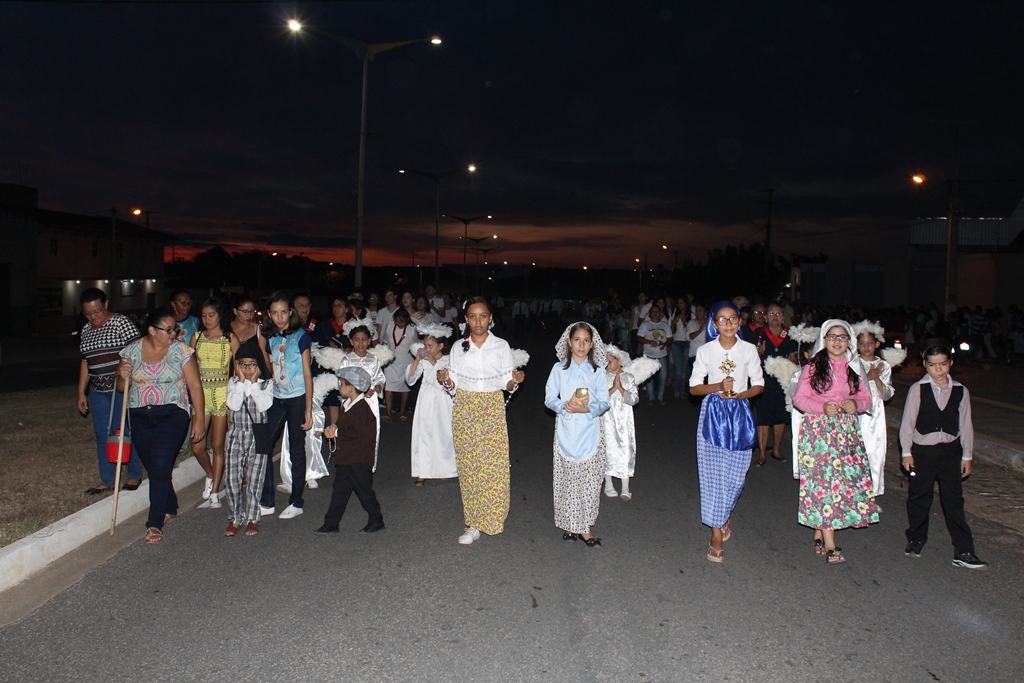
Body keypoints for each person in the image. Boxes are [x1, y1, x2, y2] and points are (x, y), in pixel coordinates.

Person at [436, 296, 526, 545]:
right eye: (473, 317)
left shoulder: (501, 346)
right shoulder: (458, 347)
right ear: (466, 319)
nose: (478, 322)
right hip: (465, 407)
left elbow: (506, 383)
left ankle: (493, 517)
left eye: (483, 316)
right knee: (469, 466)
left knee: (494, 464)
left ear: (490, 318)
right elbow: (453, 384)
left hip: (492, 405)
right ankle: (473, 523)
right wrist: (445, 379)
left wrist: (515, 380)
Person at [792, 319, 879, 565]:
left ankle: (820, 530)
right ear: (824, 339)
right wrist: (821, 407)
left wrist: (856, 404)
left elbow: (866, 398)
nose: (837, 342)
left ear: (850, 341)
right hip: (819, 433)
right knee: (824, 482)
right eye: (832, 337)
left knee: (842, 482)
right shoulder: (813, 367)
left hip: (846, 433)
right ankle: (831, 543)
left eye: (842, 337)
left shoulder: (855, 367)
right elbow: (799, 398)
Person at [117, 307, 205, 543]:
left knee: (159, 463)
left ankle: (154, 522)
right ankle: (170, 504)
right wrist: (122, 375)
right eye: (168, 330)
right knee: (155, 467)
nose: (173, 334)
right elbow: (121, 388)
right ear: (152, 330)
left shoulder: (182, 351)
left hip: (172, 413)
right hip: (139, 414)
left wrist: (198, 418)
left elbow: (195, 386)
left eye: (174, 329)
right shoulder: (131, 351)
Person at [688, 301, 764, 563]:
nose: (728, 323)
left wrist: (743, 395)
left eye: (733, 318)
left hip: (740, 412)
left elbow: (759, 384)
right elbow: (694, 387)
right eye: (722, 319)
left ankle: (722, 516)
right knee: (712, 476)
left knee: (737, 475)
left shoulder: (749, 349)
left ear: (740, 322)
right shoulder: (706, 351)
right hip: (713, 413)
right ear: (714, 324)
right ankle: (716, 534)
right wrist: (718, 386)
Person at [900, 345, 988, 569]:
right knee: (920, 496)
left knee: (954, 500)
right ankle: (916, 538)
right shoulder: (918, 389)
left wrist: (967, 455)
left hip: (950, 452)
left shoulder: (960, 390)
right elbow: (908, 422)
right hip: (924, 452)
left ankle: (964, 550)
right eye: (932, 365)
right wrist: (907, 452)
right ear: (925, 365)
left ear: (951, 363)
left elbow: (965, 424)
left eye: (943, 364)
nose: (938, 369)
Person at [545, 322, 611, 546]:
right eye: (577, 340)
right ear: (569, 343)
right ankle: (570, 525)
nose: (581, 345)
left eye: (586, 341)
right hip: (567, 429)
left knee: (589, 482)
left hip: (589, 429)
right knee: (568, 480)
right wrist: (564, 406)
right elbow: (549, 398)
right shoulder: (559, 369)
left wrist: (587, 409)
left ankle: (585, 527)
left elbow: (604, 401)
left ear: (592, 344)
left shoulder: (597, 370)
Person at [76, 287, 143, 494]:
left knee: (122, 430)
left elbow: (137, 351)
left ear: (105, 304)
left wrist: (122, 370)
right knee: (102, 433)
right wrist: (81, 392)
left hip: (120, 388)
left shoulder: (121, 323)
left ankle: (134, 475)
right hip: (98, 391)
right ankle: (108, 479)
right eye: (88, 313)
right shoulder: (86, 330)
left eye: (97, 311)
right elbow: (86, 362)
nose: (93, 317)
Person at [259, 292, 313, 520]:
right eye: (275, 313)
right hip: (277, 398)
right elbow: (272, 366)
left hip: (297, 398)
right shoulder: (271, 338)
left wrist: (308, 409)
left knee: (296, 448)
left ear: (290, 312)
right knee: (262, 444)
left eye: (283, 312)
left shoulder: (301, 336)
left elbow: (307, 374)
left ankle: (296, 501)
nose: (279, 317)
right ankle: (267, 501)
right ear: (269, 315)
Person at [313, 367, 385, 535]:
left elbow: (361, 434)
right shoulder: (348, 405)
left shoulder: (362, 409)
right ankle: (331, 523)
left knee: (364, 491)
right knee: (339, 492)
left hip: (359, 459)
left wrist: (337, 432)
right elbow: (343, 425)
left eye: (342, 384)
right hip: (346, 458)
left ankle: (376, 519)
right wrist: (332, 428)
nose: (339, 386)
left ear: (351, 388)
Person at [190, 297, 239, 509]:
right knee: (197, 447)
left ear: (220, 315)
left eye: (211, 315)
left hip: (221, 395)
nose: (207, 319)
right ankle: (211, 474)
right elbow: (190, 369)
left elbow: (238, 371)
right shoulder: (196, 338)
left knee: (218, 445)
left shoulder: (230, 339)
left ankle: (215, 492)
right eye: (203, 316)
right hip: (201, 396)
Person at [223, 340, 274, 537]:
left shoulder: (267, 384)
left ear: (259, 365)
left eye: (252, 365)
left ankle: (252, 518)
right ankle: (236, 517)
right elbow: (233, 405)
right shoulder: (233, 383)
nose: (247, 369)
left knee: (255, 478)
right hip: (236, 435)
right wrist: (241, 383)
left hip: (257, 436)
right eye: (242, 365)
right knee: (232, 479)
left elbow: (263, 405)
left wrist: (252, 385)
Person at [406, 323, 457, 486]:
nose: (426, 349)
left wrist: (434, 362)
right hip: (426, 400)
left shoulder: (448, 360)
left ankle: (444, 469)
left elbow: (447, 380)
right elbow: (411, 380)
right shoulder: (424, 360)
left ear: (440, 346)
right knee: (423, 433)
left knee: (442, 434)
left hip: (442, 400)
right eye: (425, 345)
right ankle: (423, 471)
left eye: (430, 346)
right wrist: (417, 360)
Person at [853, 320, 895, 496]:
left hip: (876, 413)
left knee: (875, 450)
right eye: (862, 343)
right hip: (857, 411)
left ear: (877, 344)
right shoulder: (853, 364)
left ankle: (872, 492)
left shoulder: (883, 366)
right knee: (856, 449)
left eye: (870, 343)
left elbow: (887, 394)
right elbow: (849, 390)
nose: (866, 347)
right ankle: (855, 490)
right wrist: (867, 376)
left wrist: (876, 378)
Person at [754, 303, 798, 466]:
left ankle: (776, 450)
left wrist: (795, 358)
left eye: (778, 314)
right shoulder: (759, 333)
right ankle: (762, 454)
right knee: (763, 417)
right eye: (771, 313)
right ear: (765, 317)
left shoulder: (790, 335)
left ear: (783, 317)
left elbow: (798, 357)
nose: (775, 317)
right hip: (764, 380)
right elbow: (750, 356)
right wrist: (758, 354)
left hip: (783, 381)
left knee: (781, 416)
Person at [601, 346, 641, 500]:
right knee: (608, 447)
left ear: (620, 361)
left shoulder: (629, 377)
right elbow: (598, 399)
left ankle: (625, 486)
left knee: (625, 448)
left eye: (610, 361)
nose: (607, 365)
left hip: (624, 419)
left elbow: (634, 399)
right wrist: (613, 389)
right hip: (607, 417)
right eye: (605, 362)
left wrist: (622, 389)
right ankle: (608, 484)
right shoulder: (602, 377)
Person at [382, 307, 416, 422]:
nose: (399, 323)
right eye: (396, 321)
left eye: (401, 321)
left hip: (406, 362)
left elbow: (415, 347)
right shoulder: (390, 325)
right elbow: (385, 341)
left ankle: (401, 412)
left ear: (406, 320)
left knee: (405, 388)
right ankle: (388, 414)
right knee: (388, 388)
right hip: (391, 362)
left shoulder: (412, 328)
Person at [637, 304, 672, 404]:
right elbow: (639, 337)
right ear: (650, 314)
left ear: (660, 313)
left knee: (663, 376)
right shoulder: (645, 324)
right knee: (650, 377)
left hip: (662, 354)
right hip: (649, 355)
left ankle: (660, 396)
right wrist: (648, 341)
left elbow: (670, 338)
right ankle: (651, 397)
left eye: (657, 311)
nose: (655, 313)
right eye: (653, 311)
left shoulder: (665, 325)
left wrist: (665, 344)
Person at [230, 295, 270, 377]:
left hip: (252, 378)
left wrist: (269, 377)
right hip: (230, 377)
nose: (249, 315)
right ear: (235, 311)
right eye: (245, 312)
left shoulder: (258, 330)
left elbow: (265, 359)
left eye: (252, 312)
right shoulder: (227, 329)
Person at [671, 299, 691, 398]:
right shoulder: (675, 314)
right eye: (678, 303)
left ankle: (682, 390)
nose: (679, 305)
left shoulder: (691, 315)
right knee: (678, 368)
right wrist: (673, 323)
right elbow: (672, 331)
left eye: (681, 303)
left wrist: (684, 322)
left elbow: (691, 329)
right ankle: (676, 390)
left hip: (687, 343)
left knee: (684, 369)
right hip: (677, 343)